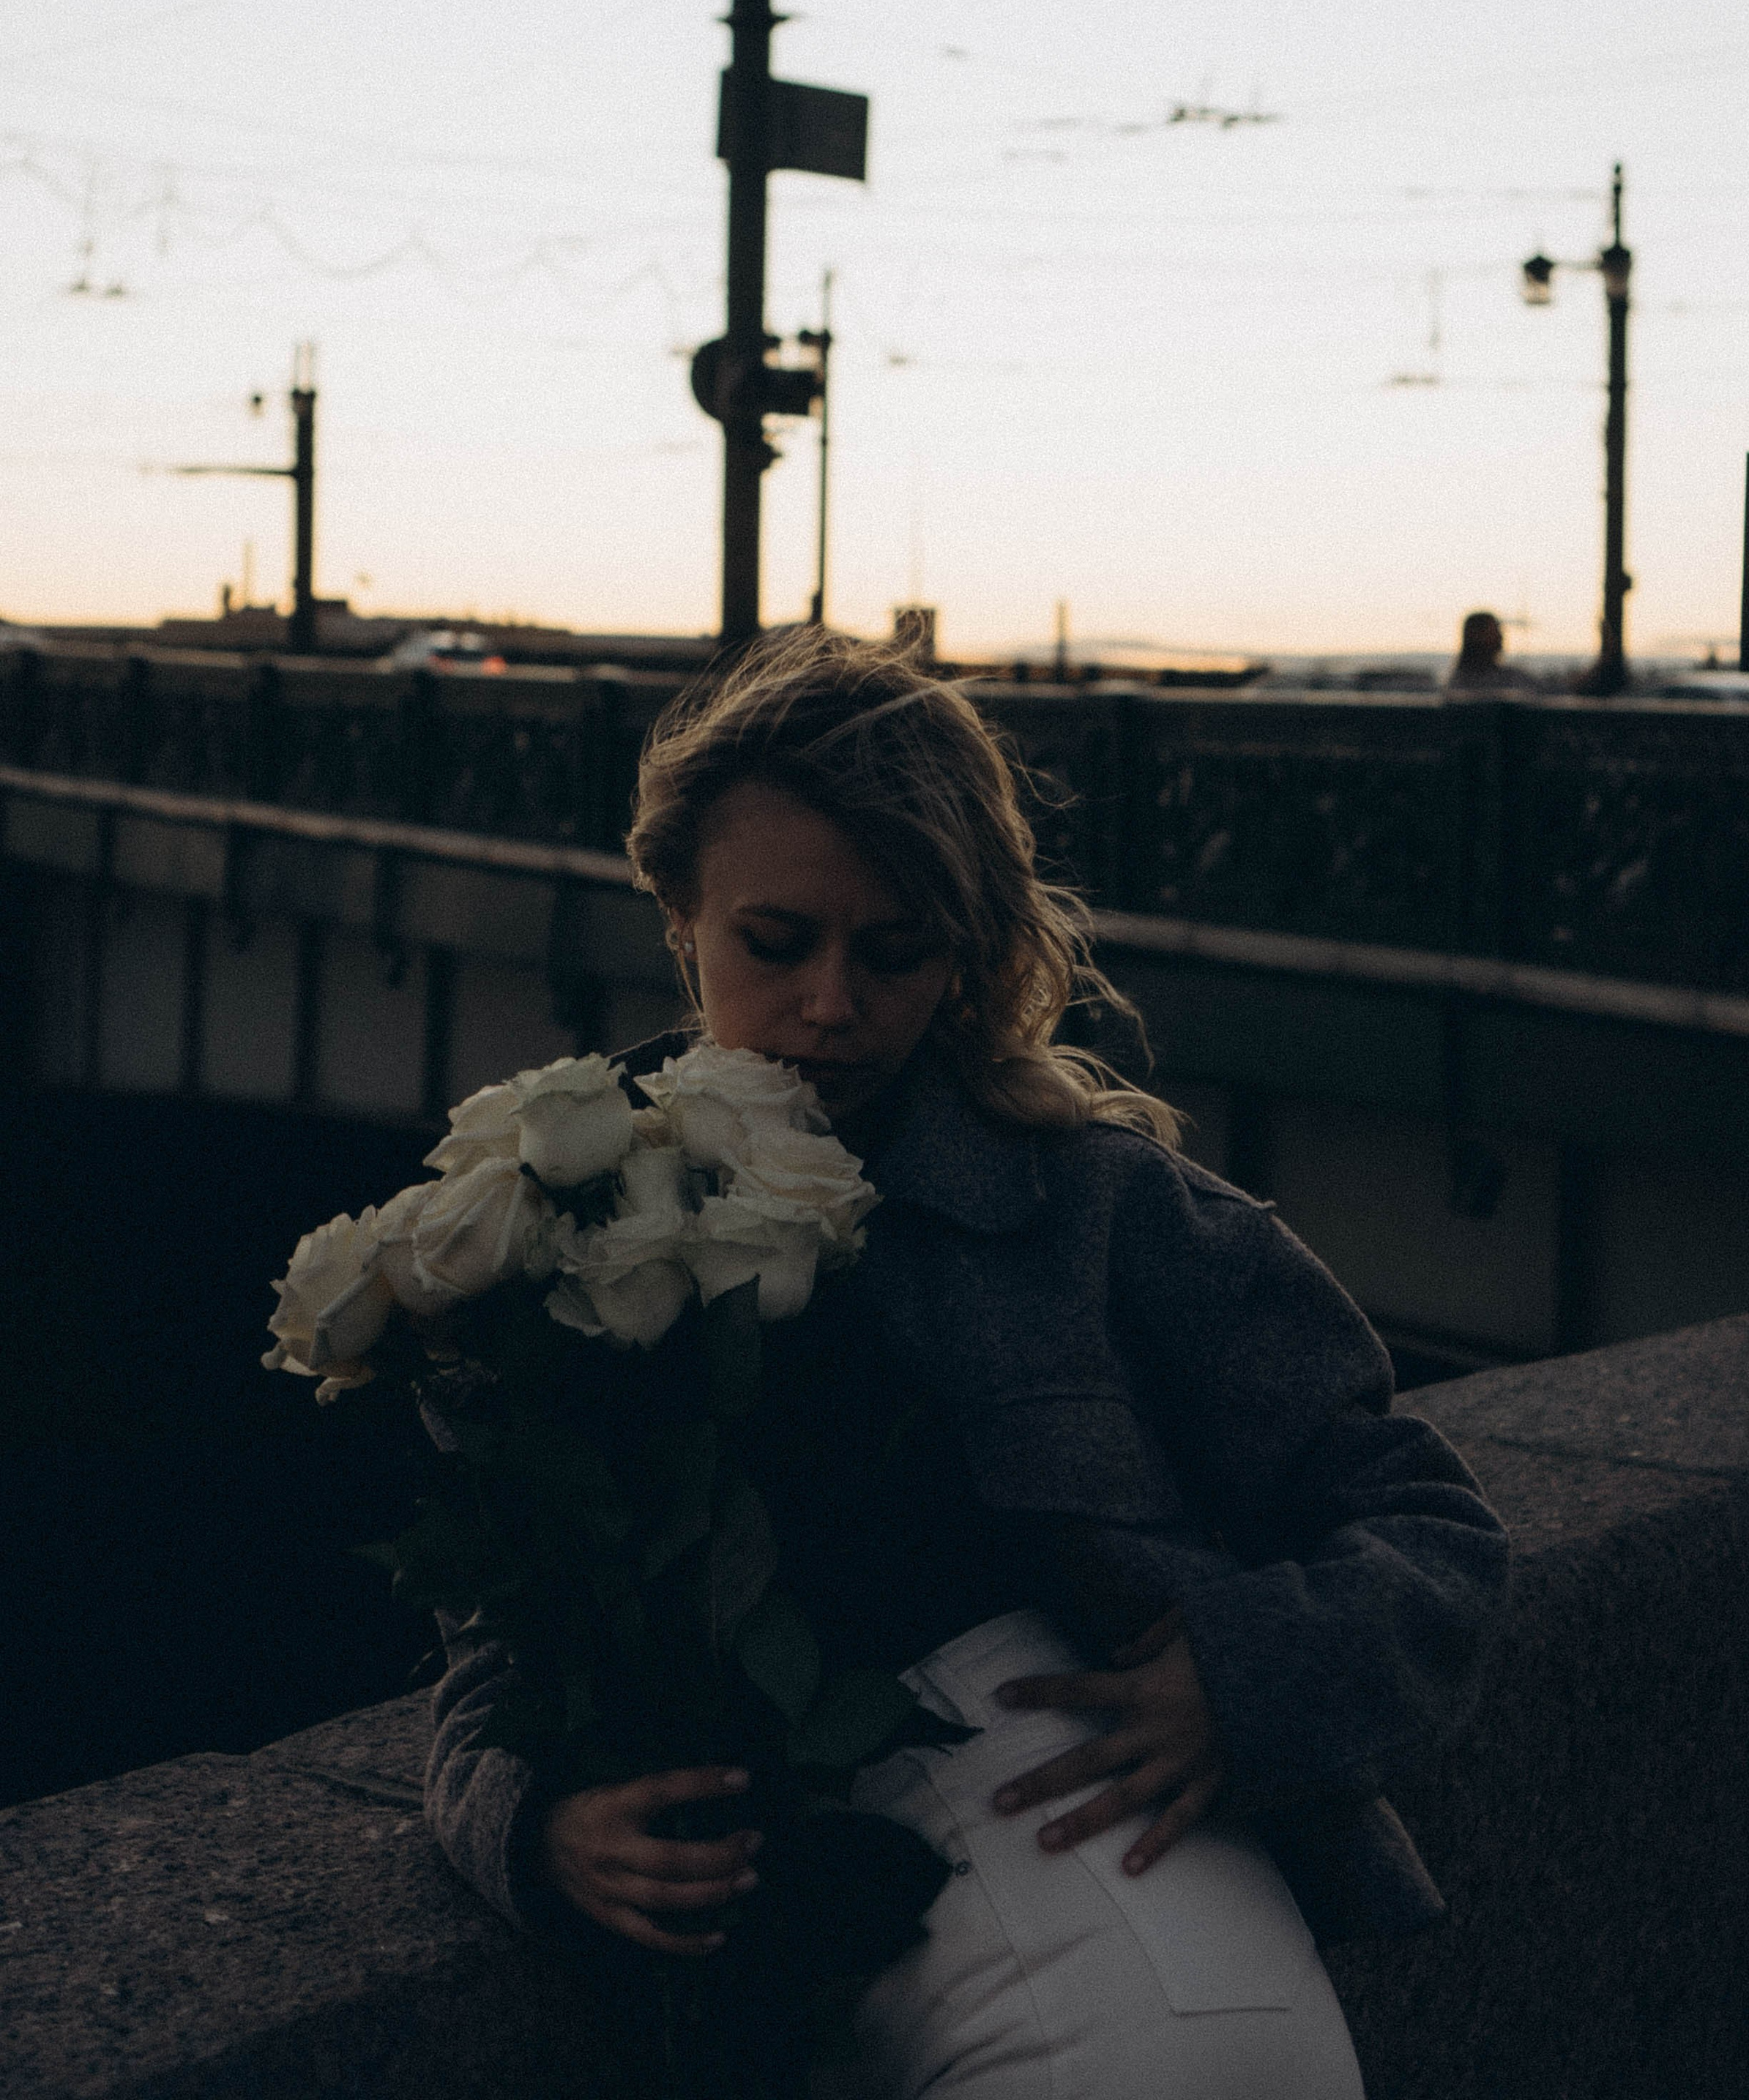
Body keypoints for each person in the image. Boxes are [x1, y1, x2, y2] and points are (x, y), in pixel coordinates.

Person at [426, 632, 1510, 2099]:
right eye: (775, 941)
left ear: (963, 948)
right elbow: (495, 1630)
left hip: (1124, 1952)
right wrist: (533, 1828)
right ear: (676, 913)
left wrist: (1234, 1684)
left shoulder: (1099, 1208)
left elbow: (1431, 1535)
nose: (828, 1004)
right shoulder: (564, 1208)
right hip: (789, 1972)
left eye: (893, 951)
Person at [1447, 609, 1532, 691]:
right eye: (1494, 633)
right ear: (1476, 636)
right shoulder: (1512, 679)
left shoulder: (1514, 677)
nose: (1501, 638)